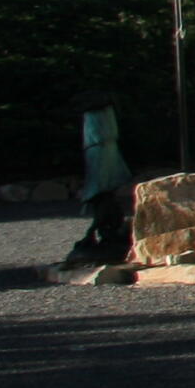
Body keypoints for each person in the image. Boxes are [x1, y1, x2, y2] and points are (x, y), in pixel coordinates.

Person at [64, 88, 133, 265]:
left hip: (100, 152)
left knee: (103, 199)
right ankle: (105, 235)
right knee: (104, 199)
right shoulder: (102, 129)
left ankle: (107, 236)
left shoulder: (101, 136)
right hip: (100, 151)